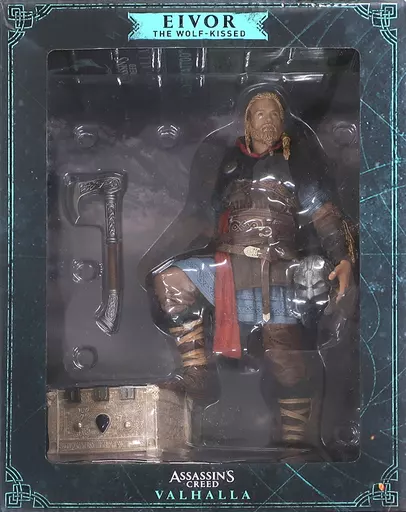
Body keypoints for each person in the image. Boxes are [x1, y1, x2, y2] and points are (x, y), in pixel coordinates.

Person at [152, 90, 355, 448]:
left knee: (284, 358)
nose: (268, 121)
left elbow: (324, 215)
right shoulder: (227, 163)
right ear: (247, 121)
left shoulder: (299, 163)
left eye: (274, 114)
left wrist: (342, 260)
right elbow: (200, 216)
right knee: (172, 280)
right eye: (260, 114)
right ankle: (197, 372)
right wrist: (166, 246)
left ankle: (296, 439)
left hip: (277, 271)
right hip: (228, 266)